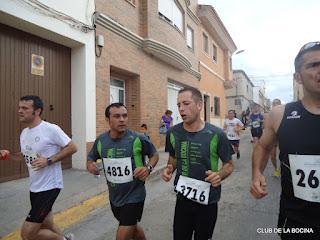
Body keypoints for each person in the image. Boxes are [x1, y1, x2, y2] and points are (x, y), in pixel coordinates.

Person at [251, 42, 320, 239]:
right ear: (297, 77)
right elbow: (263, 146)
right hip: (296, 221)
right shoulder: (280, 114)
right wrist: (256, 173)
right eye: (313, 65)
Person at [162, 86, 234, 240]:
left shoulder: (217, 134)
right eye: (179, 105)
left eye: (186, 104)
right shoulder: (173, 133)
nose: (181, 109)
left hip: (208, 200)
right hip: (182, 198)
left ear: (199, 105)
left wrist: (219, 175)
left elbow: (229, 164)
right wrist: (169, 168)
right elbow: (174, 157)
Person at [87, 103, 159, 240]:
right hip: (115, 196)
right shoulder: (101, 140)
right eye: (117, 116)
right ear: (108, 120)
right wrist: (90, 165)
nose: (122, 119)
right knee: (133, 228)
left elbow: (154, 155)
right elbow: (91, 157)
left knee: (122, 235)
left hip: (135, 195)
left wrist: (148, 168)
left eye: (124, 116)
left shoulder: (138, 138)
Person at [17, 95, 77, 240]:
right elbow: (26, 156)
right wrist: (9, 155)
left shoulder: (50, 129)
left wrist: (49, 160)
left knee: (27, 234)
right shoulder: (24, 133)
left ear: (37, 111)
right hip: (35, 186)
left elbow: (72, 147)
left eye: (24, 108)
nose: (20, 111)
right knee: (47, 224)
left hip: (49, 186)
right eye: (19, 107)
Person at [270, 98, 282, 177]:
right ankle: (276, 169)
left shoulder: (284, 113)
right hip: (273, 137)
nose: (275, 105)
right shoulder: (270, 114)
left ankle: (282, 169)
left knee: (283, 154)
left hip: (282, 137)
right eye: (274, 103)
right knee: (273, 155)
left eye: (277, 103)